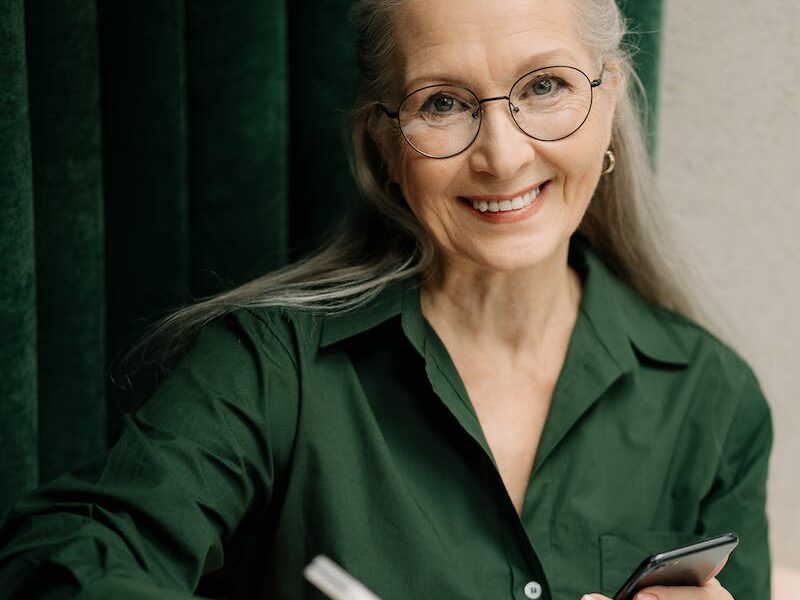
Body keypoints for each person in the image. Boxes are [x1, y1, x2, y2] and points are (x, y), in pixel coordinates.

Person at [0, 0, 772, 598]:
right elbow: (62, 561)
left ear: (609, 103)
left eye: (545, 86)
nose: (502, 156)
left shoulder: (716, 401)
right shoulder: (270, 368)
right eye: (442, 103)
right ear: (385, 146)